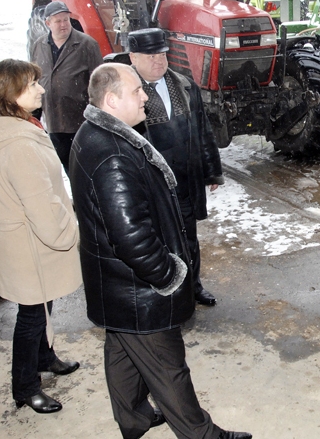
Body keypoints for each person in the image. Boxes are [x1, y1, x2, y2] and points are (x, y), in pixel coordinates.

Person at [69, 63, 250, 439]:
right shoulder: (113, 154)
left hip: (115, 285)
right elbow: (131, 236)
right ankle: (203, 434)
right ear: (111, 100)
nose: (145, 97)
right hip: (138, 289)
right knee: (169, 367)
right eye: (137, 91)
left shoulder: (94, 133)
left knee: (122, 350)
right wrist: (168, 275)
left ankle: (133, 418)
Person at [0, 59, 82, 414]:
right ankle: (26, 387)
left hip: (15, 236)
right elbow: (42, 208)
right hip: (29, 241)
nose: (41, 89)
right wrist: (71, 229)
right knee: (31, 315)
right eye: (32, 85)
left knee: (41, 303)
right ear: (11, 93)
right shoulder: (19, 144)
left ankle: (45, 357)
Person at [127, 28, 223, 307]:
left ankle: (193, 286)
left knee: (188, 237)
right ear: (133, 57)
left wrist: (211, 171)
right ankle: (165, 294)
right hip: (150, 184)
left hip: (184, 178)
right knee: (157, 241)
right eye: (150, 56)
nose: (159, 61)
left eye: (162, 54)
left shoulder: (184, 86)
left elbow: (202, 130)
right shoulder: (125, 93)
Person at [29, 0, 103, 173]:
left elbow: (99, 83)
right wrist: (34, 116)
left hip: (79, 121)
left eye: (66, 20)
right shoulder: (39, 46)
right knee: (66, 166)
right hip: (53, 121)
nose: (63, 24)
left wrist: (97, 119)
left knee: (85, 168)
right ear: (48, 23)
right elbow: (35, 81)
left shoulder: (87, 44)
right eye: (58, 21)